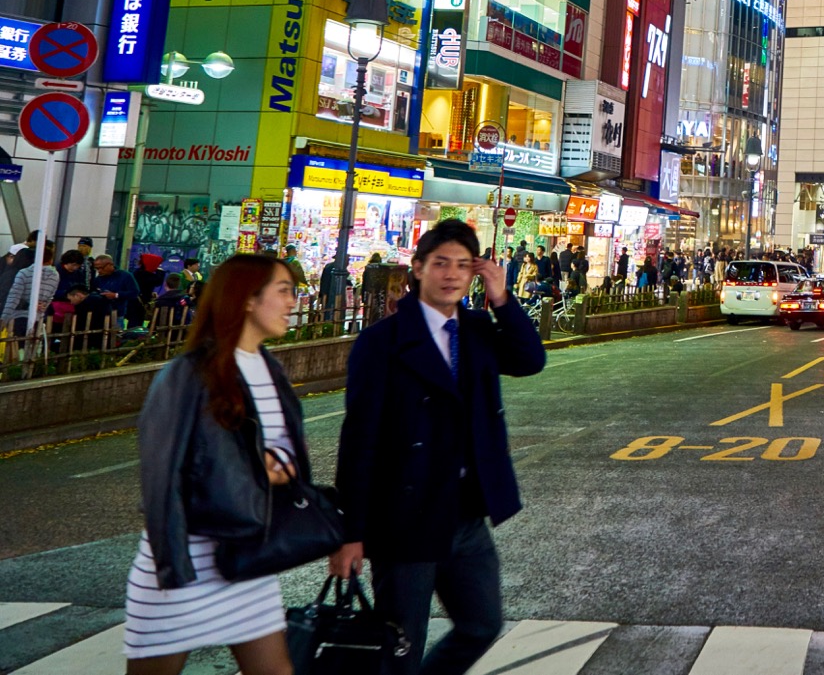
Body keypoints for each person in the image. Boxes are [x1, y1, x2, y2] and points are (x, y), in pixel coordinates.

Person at [330, 218, 546, 674]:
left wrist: (503, 298)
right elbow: (359, 439)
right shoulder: (382, 342)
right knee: (401, 645)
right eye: (441, 263)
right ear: (418, 269)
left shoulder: (478, 329)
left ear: (475, 274)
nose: (451, 274)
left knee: (482, 624)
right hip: (405, 518)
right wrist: (351, 533)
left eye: (463, 266)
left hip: (466, 514)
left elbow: (530, 359)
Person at [124, 252, 307, 674]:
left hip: (246, 558)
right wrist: (172, 568)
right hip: (185, 562)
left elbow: (284, 455)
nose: (292, 302)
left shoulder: (270, 369)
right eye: (283, 291)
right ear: (246, 299)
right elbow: (162, 474)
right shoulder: (187, 374)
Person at [93, 253, 144, 326]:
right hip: (101, 315)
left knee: (116, 335)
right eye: (97, 268)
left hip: (117, 314)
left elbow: (135, 292)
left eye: (101, 268)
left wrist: (116, 295)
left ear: (110, 265)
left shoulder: (125, 276)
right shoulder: (98, 279)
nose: (99, 271)